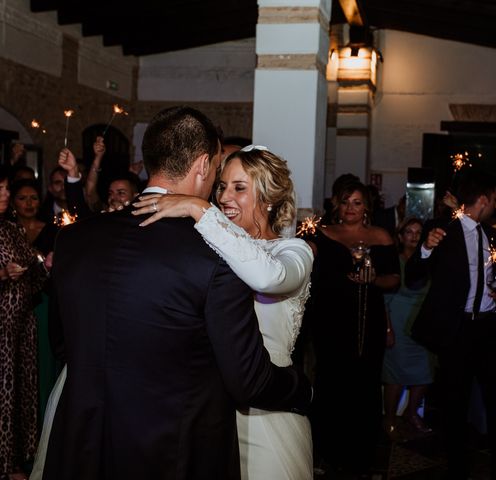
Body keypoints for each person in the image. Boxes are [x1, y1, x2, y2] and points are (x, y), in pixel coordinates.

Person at [39, 106, 312, 479]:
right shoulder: (214, 257)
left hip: (83, 444)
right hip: (173, 451)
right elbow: (246, 379)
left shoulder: (73, 240)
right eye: (218, 173)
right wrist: (304, 389)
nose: (221, 191)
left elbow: (63, 345)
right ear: (202, 165)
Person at [130, 145, 314, 479]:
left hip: (267, 412)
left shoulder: (294, 251)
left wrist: (198, 207)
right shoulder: (210, 248)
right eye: (222, 186)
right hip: (211, 413)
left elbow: (267, 277)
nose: (225, 196)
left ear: (270, 197)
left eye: (239, 187)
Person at [406, 169, 496, 480]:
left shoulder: (493, 235)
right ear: (484, 199)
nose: (494, 206)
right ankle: (457, 470)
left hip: (491, 329)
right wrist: (425, 248)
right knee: (455, 405)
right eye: (494, 200)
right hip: (459, 331)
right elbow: (413, 278)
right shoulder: (441, 229)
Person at [306, 180, 400, 475]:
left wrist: (373, 280)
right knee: (331, 380)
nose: (350, 208)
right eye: (345, 202)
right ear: (336, 203)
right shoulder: (320, 234)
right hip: (329, 319)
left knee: (365, 382)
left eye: (357, 203)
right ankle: (327, 449)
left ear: (367, 207)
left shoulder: (381, 236)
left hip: (366, 320)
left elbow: (394, 279)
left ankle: (361, 452)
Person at [0, 167, 48, 480]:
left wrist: (44, 264)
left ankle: (14, 459)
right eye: (0, 189)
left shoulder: (10, 229)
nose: (5, 195)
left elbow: (36, 270)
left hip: (21, 326)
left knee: (18, 393)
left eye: (6, 189)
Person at [382, 217, 435, 436]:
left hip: (424, 323)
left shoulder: (430, 259)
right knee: (395, 376)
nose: (413, 236)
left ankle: (412, 413)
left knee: (425, 372)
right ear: (401, 236)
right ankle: (390, 418)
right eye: (409, 232)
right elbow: (384, 297)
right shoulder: (394, 260)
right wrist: (387, 329)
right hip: (398, 320)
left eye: (418, 232)